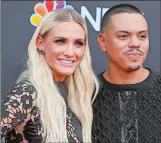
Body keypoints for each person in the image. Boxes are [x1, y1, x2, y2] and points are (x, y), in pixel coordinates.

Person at [1, 9, 99, 143]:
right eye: (60, 41)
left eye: (78, 43)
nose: (70, 52)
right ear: (40, 43)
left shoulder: (76, 94)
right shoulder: (29, 92)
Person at [92, 4, 161, 143]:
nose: (135, 43)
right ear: (102, 42)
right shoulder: (86, 94)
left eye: (142, 36)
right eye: (123, 36)